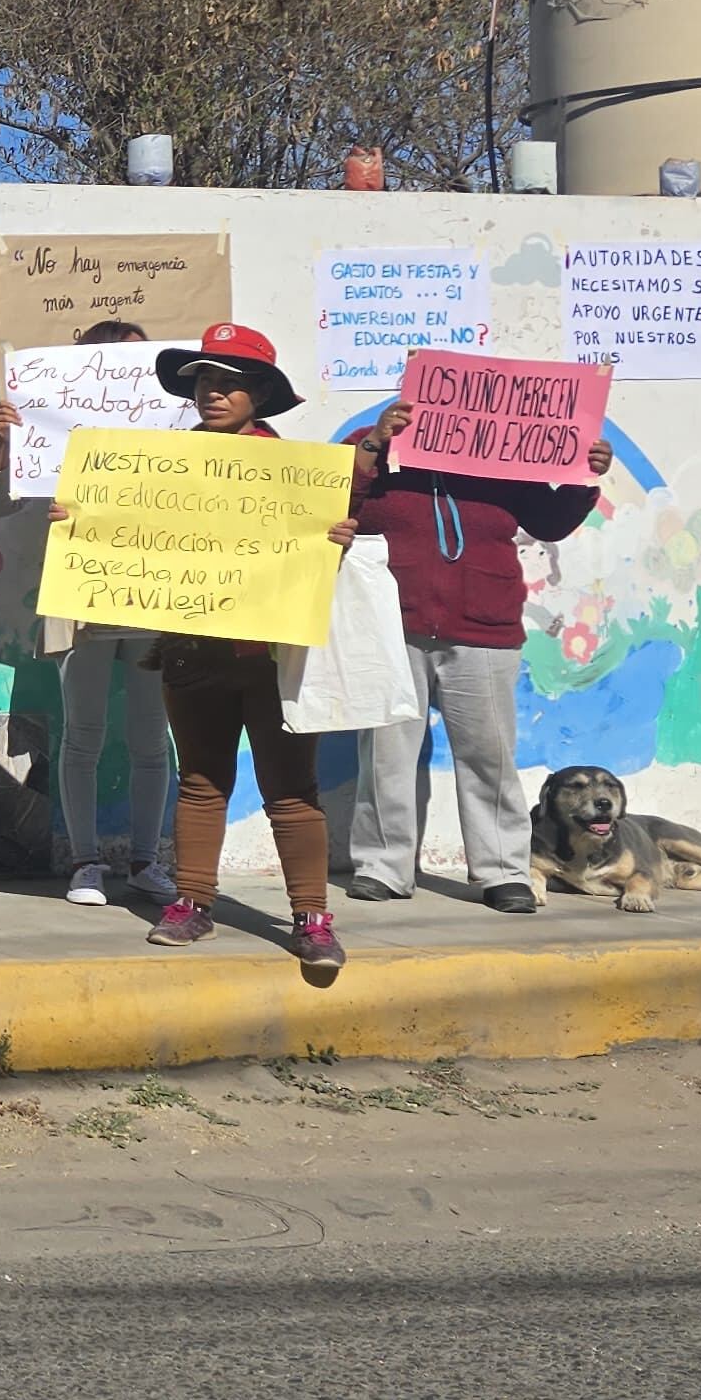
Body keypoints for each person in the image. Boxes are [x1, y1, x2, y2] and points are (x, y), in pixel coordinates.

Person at [82, 325, 359, 969]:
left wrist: (335, 538)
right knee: (202, 781)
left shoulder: (298, 476)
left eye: (230, 382)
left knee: (291, 788)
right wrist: (83, 523)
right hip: (190, 652)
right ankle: (193, 904)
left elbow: (319, 556)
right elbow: (131, 533)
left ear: (259, 394)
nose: (214, 393)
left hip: (271, 657)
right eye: (205, 380)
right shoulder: (165, 467)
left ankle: (311, 918)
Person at [336, 401, 613, 913]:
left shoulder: (500, 450)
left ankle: (503, 871)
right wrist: (376, 440)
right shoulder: (376, 443)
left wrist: (581, 477)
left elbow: (548, 522)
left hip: (485, 626)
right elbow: (336, 499)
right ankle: (381, 867)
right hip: (392, 625)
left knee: (490, 756)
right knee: (385, 756)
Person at [0, 318, 178, 907]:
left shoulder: (174, 422)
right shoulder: (51, 425)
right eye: (117, 364)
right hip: (80, 593)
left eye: (138, 363)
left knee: (152, 736)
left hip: (152, 590)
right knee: (84, 734)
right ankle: (86, 861)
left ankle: (148, 860)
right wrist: (3, 443)